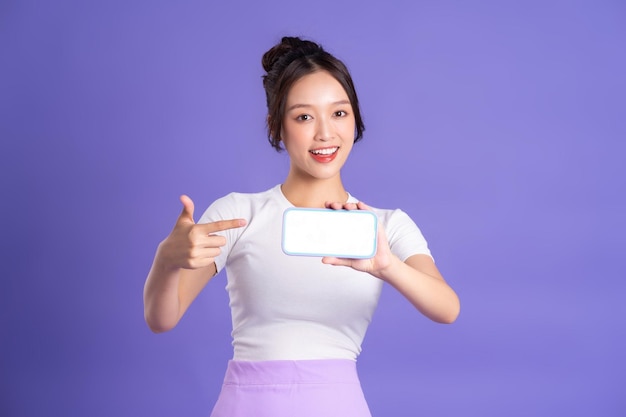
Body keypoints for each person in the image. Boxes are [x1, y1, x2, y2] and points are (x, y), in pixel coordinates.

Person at [143, 36, 460, 417]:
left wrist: (388, 266)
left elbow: (447, 308)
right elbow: (162, 319)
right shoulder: (238, 214)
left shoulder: (385, 227)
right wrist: (167, 259)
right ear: (276, 127)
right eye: (304, 116)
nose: (325, 133)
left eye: (339, 113)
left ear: (356, 118)